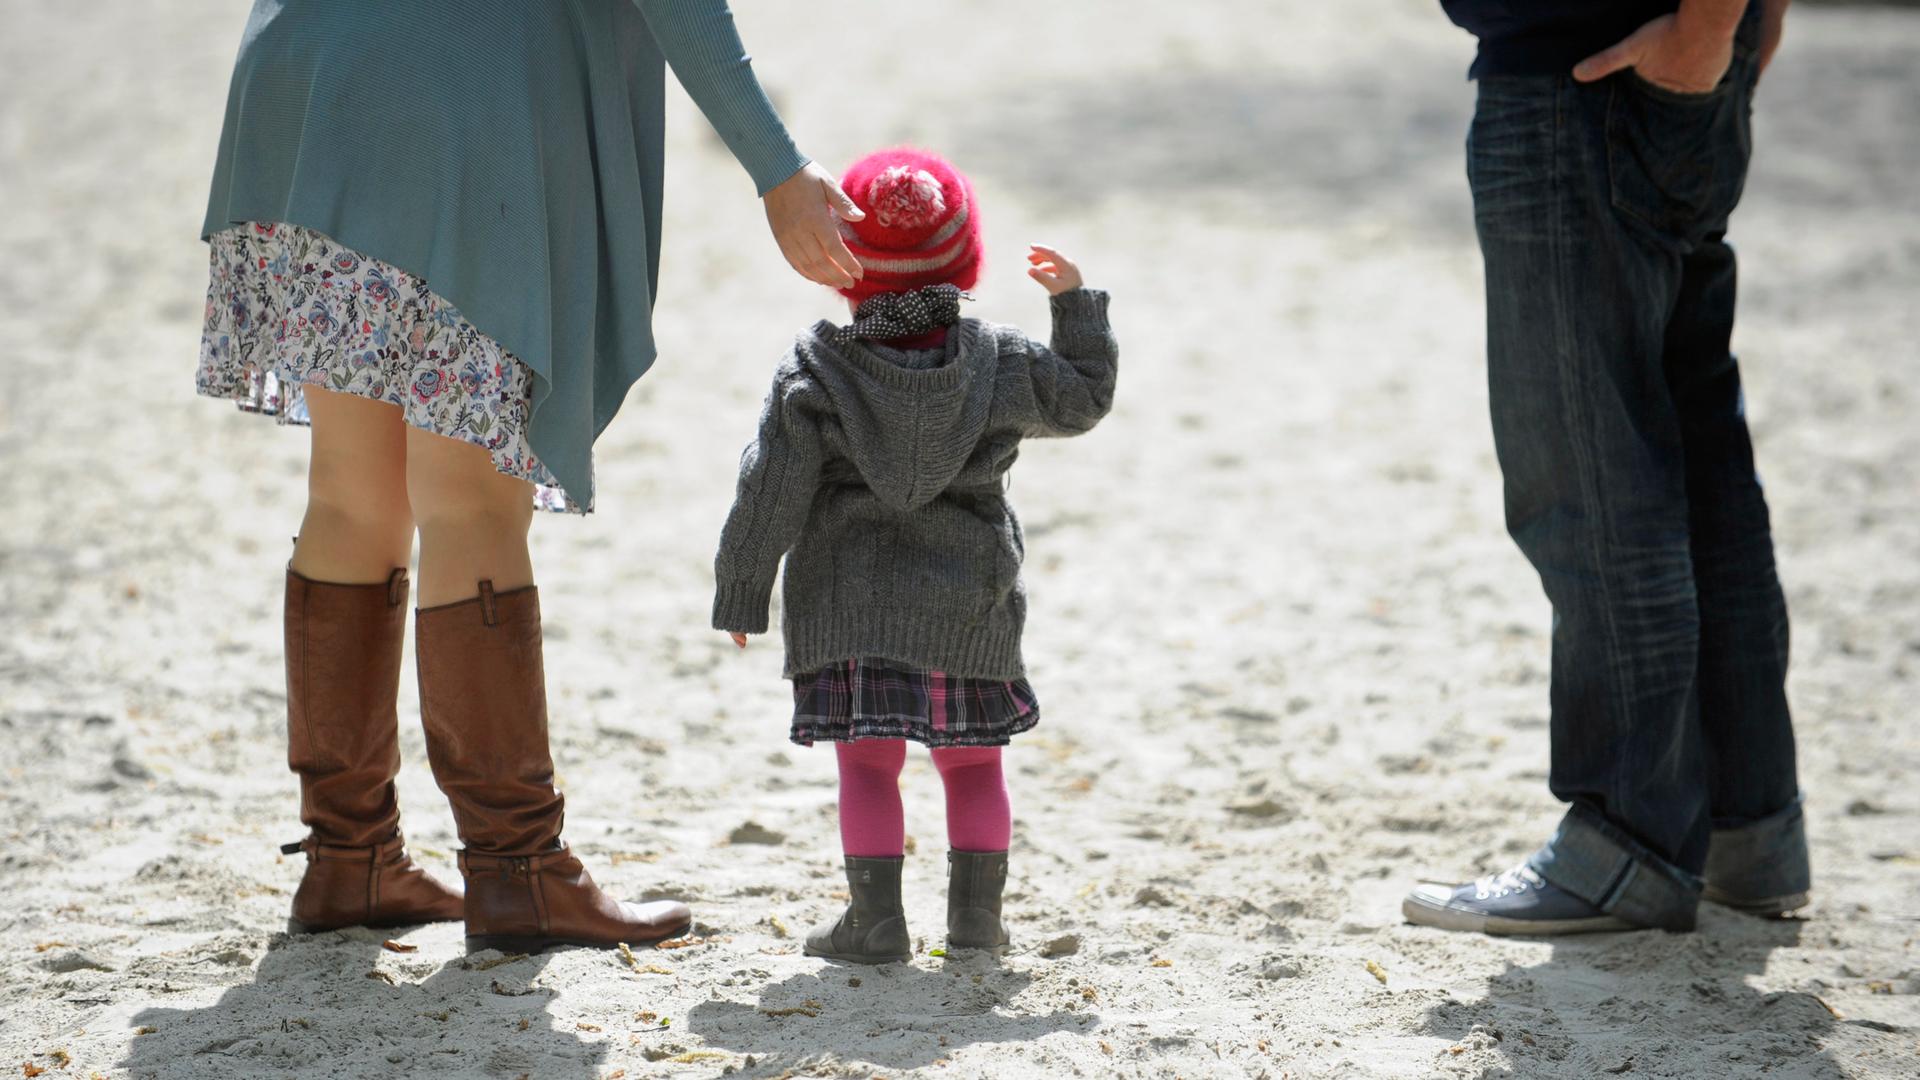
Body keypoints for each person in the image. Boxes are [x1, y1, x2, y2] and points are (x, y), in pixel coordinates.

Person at [196, 0, 866, 953]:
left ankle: (348, 859)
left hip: (307, 74)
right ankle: (517, 873)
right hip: (452, 101)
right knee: (468, 501)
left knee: (353, 492)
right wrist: (778, 168)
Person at [1403, 0, 1809, 935]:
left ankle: (1631, 841)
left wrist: (1712, 27)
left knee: (1589, 473)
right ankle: (1744, 827)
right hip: (1660, 60)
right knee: (1700, 458)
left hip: (1588, 74)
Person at [710, 149, 1119, 963]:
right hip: (967, 605)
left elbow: (771, 487)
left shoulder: (817, 370)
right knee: (973, 769)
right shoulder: (999, 361)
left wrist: (743, 588)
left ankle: (875, 923)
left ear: (844, 264)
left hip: (849, 608)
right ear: (965, 257)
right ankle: (975, 922)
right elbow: (1082, 398)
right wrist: (1075, 305)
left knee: (867, 770)